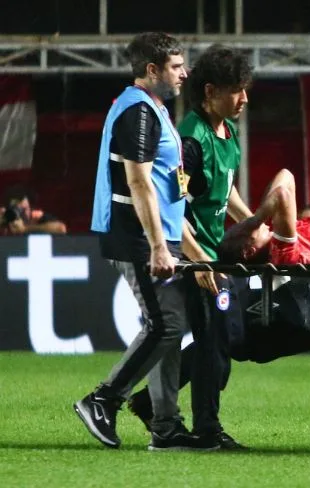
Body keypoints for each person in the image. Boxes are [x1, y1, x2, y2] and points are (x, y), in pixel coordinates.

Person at [74, 32, 216, 451]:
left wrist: (190, 250)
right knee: (166, 324)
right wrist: (157, 245)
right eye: (176, 66)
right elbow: (138, 181)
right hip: (136, 236)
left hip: (155, 235)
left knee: (170, 327)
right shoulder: (138, 112)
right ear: (151, 70)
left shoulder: (153, 110)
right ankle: (102, 399)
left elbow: (168, 188)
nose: (184, 73)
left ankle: (167, 426)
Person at [125, 45, 253, 450]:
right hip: (197, 257)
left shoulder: (227, 134)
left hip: (215, 255)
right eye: (237, 90)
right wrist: (196, 260)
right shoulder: (192, 141)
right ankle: (207, 431)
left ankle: (151, 403)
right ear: (211, 91)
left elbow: (226, 190)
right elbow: (171, 205)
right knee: (215, 344)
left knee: (221, 342)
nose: (244, 98)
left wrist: (254, 226)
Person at [0, 188, 67, 235]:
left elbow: (61, 229)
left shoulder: (36, 215)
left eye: (24, 210)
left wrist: (26, 229)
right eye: (17, 208)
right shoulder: (7, 215)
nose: (22, 213)